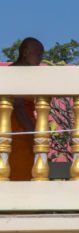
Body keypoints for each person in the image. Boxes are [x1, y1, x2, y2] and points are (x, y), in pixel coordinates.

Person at [8, 38, 43, 180]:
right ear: (25, 52)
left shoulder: (28, 76)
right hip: (17, 131)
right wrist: (35, 134)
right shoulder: (13, 73)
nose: (40, 58)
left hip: (24, 131)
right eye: (38, 53)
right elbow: (19, 106)